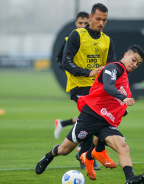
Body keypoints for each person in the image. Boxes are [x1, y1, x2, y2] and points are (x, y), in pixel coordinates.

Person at [35, 45, 144, 184]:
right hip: (90, 116)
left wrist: (122, 109)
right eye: (133, 60)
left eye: (137, 64)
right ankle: (49, 155)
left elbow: (113, 100)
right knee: (64, 150)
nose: (134, 65)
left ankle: (130, 178)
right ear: (126, 54)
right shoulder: (113, 68)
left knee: (123, 146)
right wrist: (123, 98)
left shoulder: (124, 79)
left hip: (106, 122)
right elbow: (108, 86)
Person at [57, 3, 117, 170]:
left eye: (104, 20)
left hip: (97, 89)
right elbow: (65, 61)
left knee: (99, 120)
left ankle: (84, 152)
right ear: (90, 18)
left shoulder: (107, 41)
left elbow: (112, 67)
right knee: (91, 115)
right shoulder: (76, 35)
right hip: (79, 86)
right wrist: (86, 72)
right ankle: (86, 156)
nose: (101, 23)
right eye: (98, 19)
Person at [54, 11, 89, 139]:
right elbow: (59, 59)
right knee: (90, 115)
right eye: (80, 23)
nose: (83, 26)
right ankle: (83, 151)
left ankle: (63, 124)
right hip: (77, 85)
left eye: (86, 23)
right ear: (76, 24)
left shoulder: (93, 41)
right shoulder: (69, 40)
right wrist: (69, 69)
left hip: (92, 84)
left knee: (92, 115)